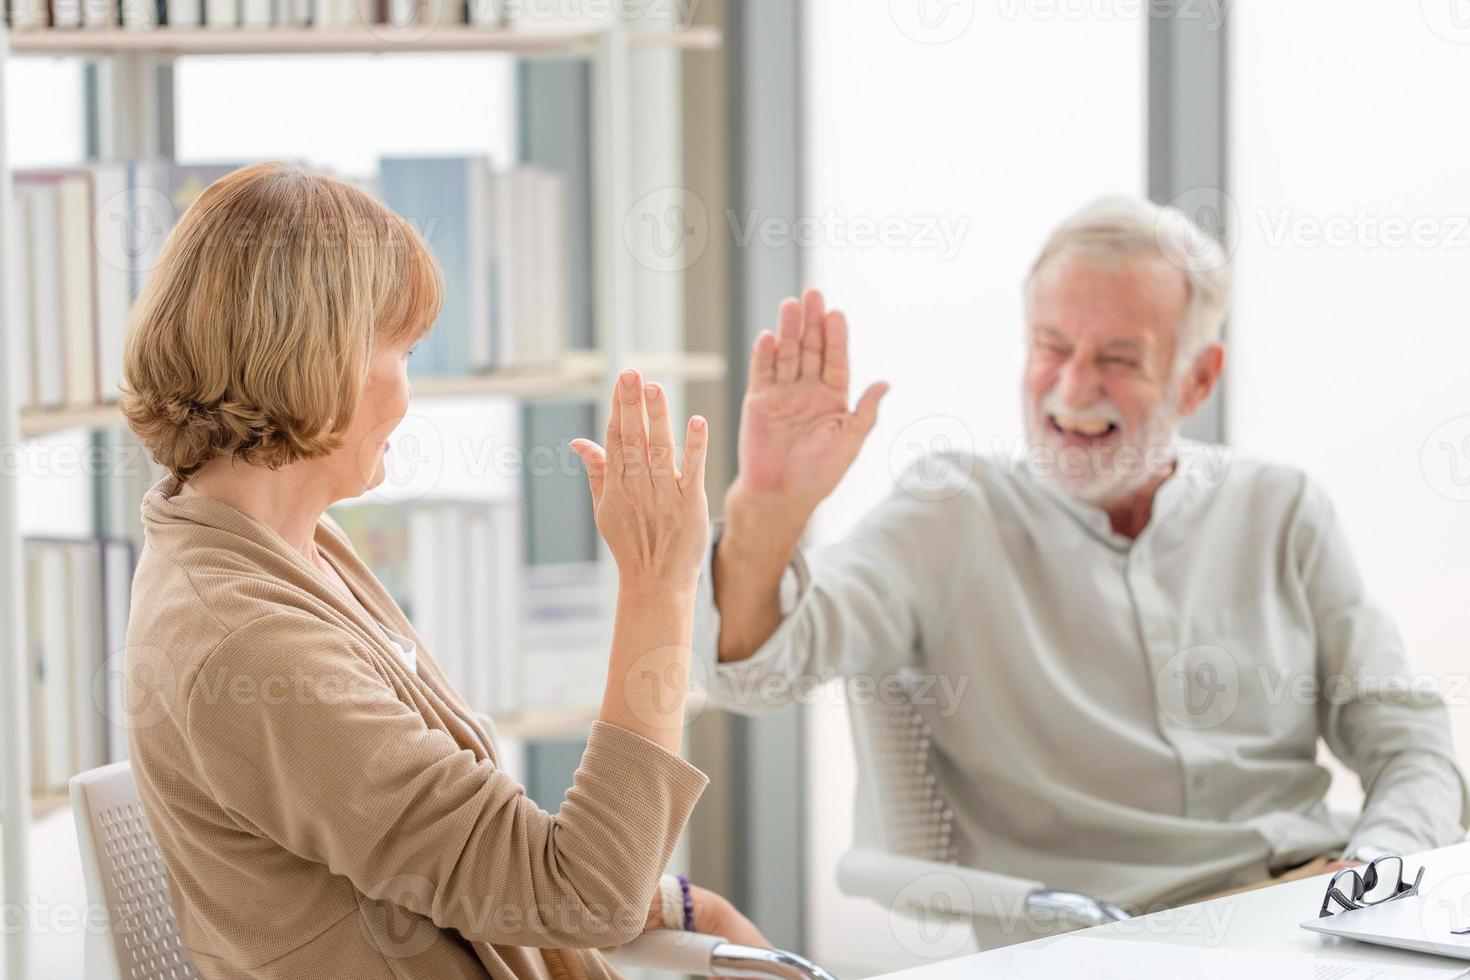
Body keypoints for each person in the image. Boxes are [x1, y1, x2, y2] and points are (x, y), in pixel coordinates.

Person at [694, 195, 1469, 912]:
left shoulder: (1282, 507)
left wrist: (1380, 872)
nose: (1072, 387)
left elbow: (1411, 745)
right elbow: (754, 672)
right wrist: (767, 506)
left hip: (1315, 903)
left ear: (1197, 379)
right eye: (1051, 346)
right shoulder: (951, 513)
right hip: (1101, 936)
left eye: (1119, 359)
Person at [120, 161, 763, 979]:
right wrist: (659, 586)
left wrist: (682, 905)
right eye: (405, 351)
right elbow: (579, 894)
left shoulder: (285, 546)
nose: (408, 396)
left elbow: (478, 864)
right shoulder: (253, 647)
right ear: (320, 358)